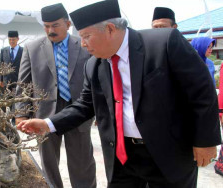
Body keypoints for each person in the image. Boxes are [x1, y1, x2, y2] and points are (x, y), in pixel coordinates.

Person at [17, 1, 221, 188]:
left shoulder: (163, 43)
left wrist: (205, 141)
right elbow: (85, 105)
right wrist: (48, 124)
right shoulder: (94, 65)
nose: (83, 44)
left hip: (168, 152)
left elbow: (201, 90)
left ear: (110, 29)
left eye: (86, 36)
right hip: (123, 156)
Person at [15, 3, 96, 188]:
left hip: (79, 109)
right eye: (46, 26)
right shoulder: (32, 48)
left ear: (68, 24)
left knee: (82, 161)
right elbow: (24, 84)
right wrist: (20, 113)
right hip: (44, 112)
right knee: (49, 162)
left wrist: (99, 110)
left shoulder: (84, 45)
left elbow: (95, 81)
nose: (50, 30)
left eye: (55, 25)